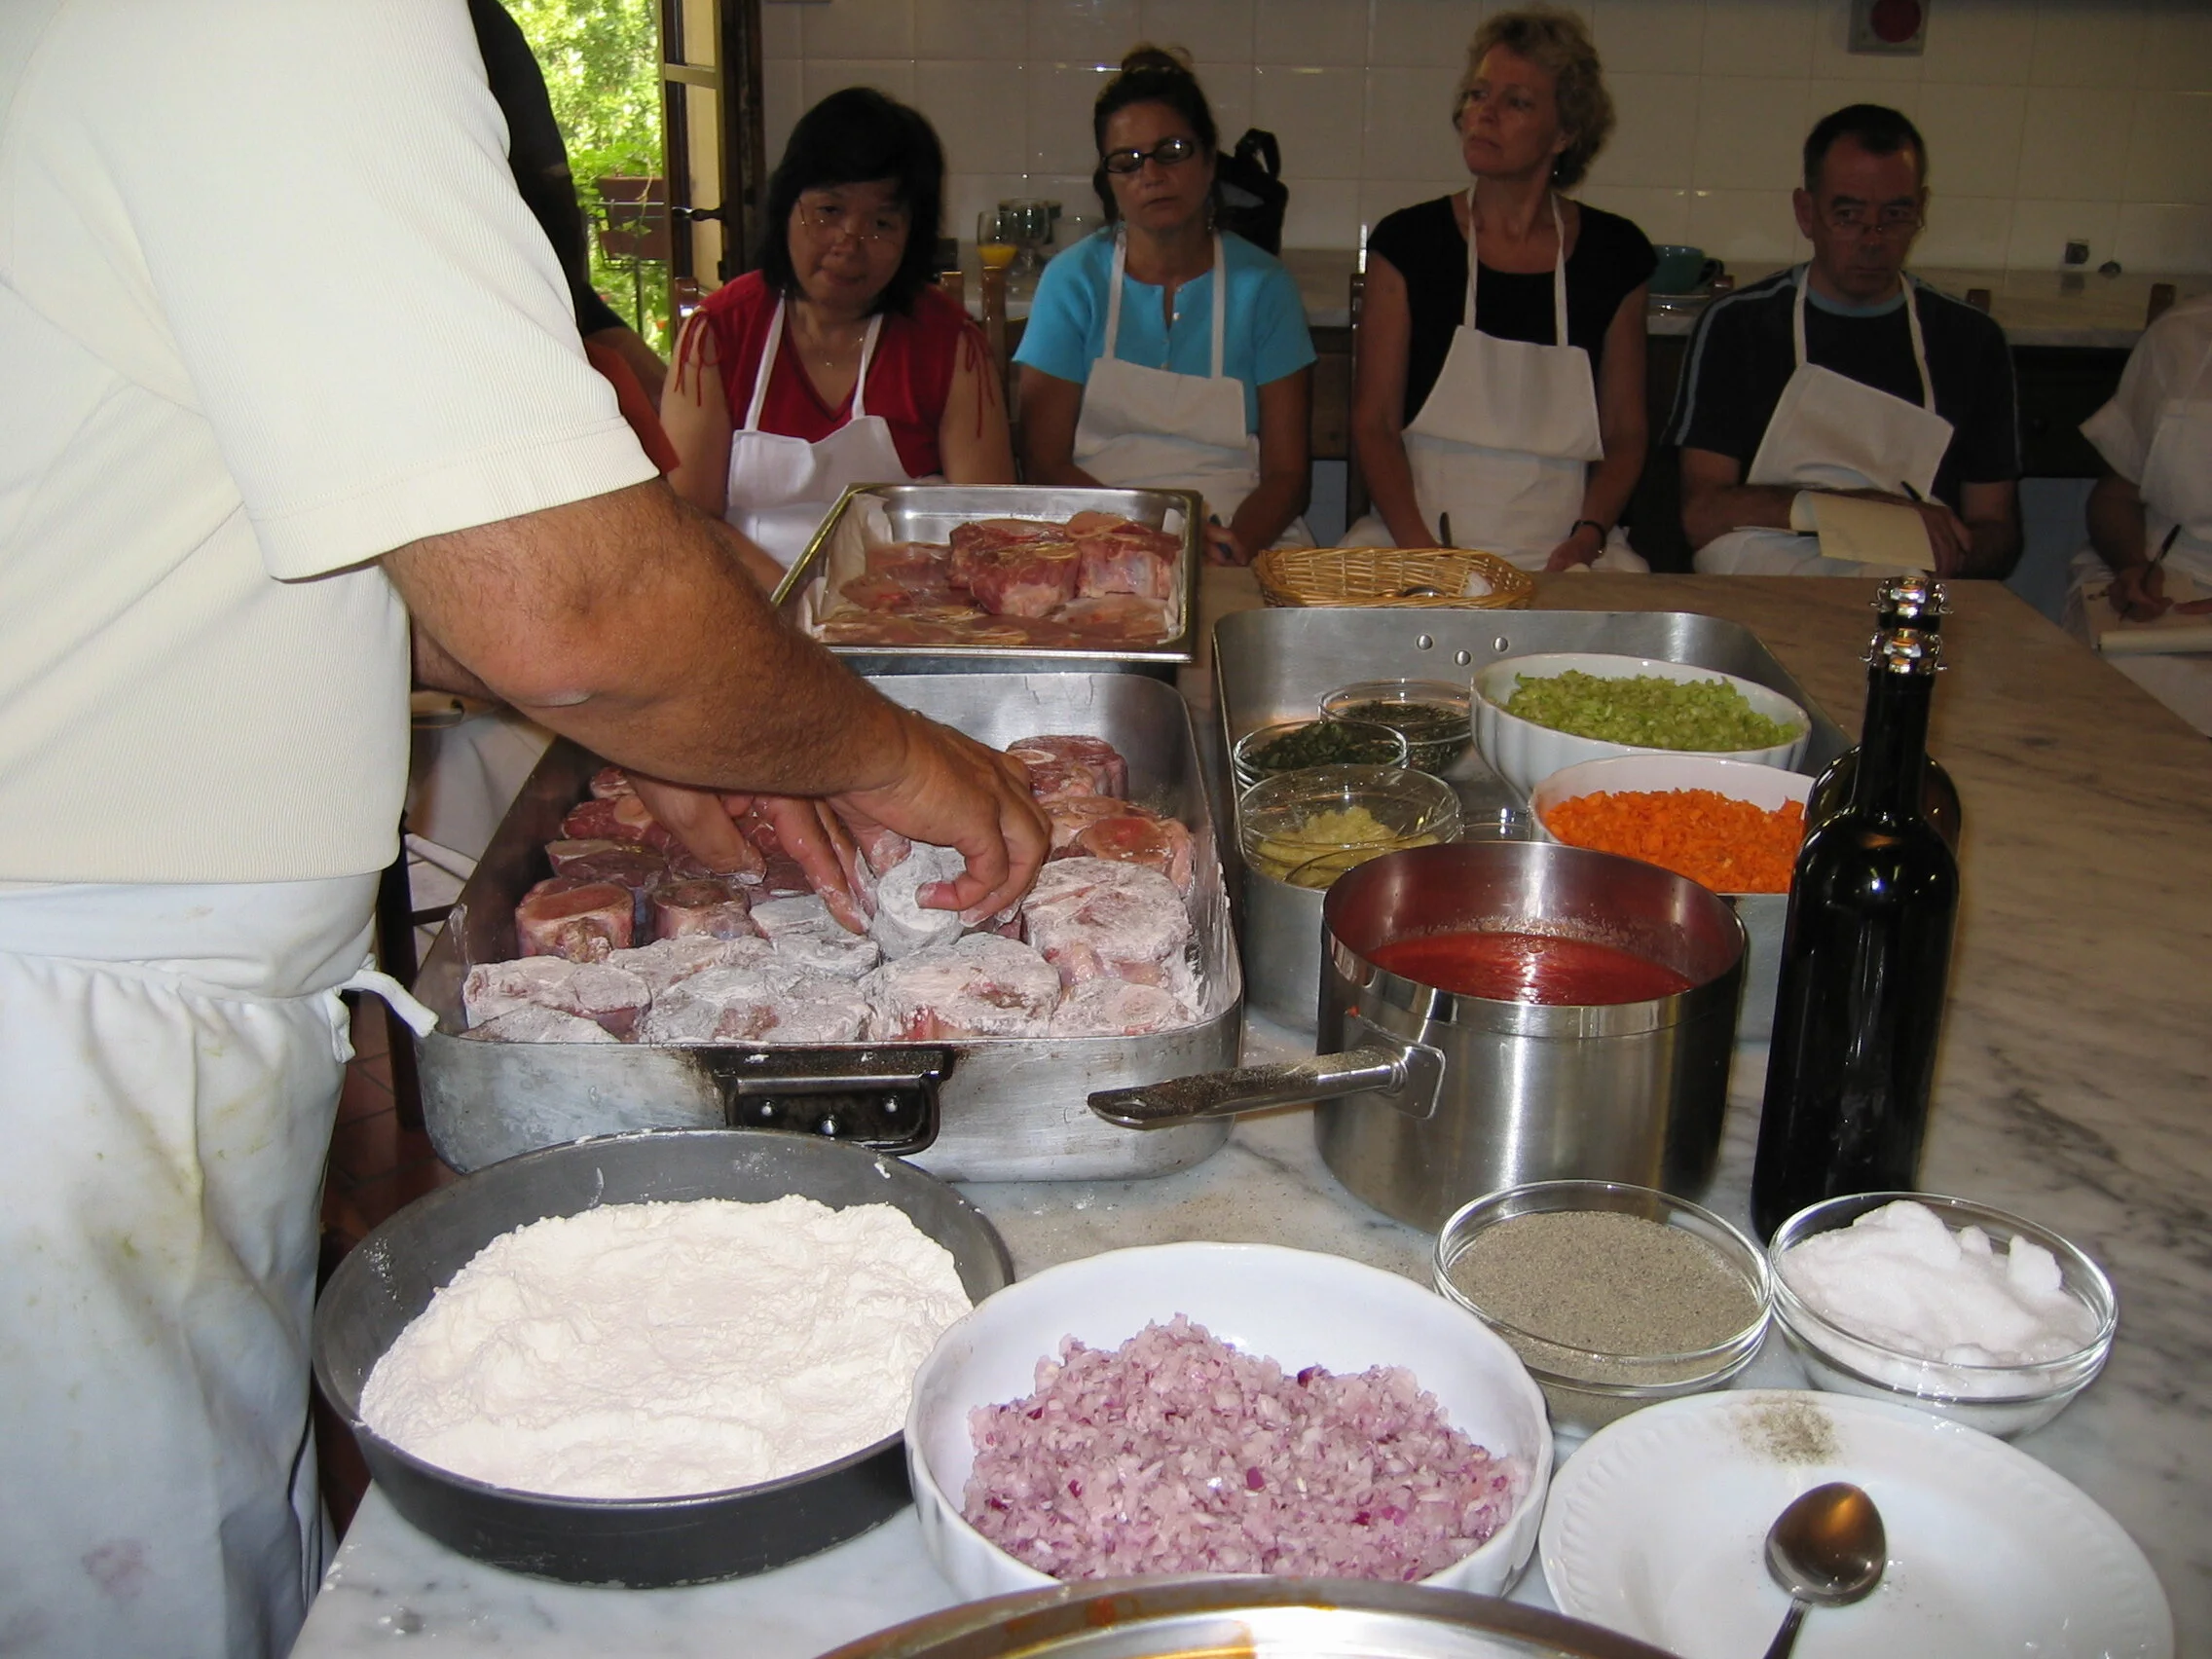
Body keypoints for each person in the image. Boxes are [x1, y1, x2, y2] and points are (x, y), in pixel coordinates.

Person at [0, 7, 1048, 1658]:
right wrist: (879, 748)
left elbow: (391, 565)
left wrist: (687, 708)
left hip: (124, 978)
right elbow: (559, 603)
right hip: (64, 1030)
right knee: (132, 1593)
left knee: (221, 1535)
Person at [1347, 7, 1654, 572]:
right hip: (1416, 539)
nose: (1484, 114)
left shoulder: (1615, 256)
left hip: (1565, 551)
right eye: (1478, 95)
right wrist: (1423, 553)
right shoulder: (1409, 244)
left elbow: (1626, 433)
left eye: (1517, 102)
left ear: (1565, 133)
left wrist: (1588, 537)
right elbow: (1375, 426)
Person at [663, 88, 1014, 571]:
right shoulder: (719, 333)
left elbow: (987, 527)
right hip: (748, 597)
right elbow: (689, 523)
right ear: (787, 208)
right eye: (829, 211)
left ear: (913, 237)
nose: (849, 243)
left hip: (907, 599)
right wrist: (791, 597)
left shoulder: (950, 345)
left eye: (882, 222)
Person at [1671, 104, 2022, 579]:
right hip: (1766, 572)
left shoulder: (1970, 339)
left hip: (1908, 581)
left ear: (1921, 209)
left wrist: (1952, 549)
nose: (1873, 240)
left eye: (1895, 215)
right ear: (1806, 212)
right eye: (1848, 215)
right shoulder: (1739, 326)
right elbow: (1702, 516)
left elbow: (1997, 531)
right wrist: (1866, 513)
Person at [1014, 47, 1316, 564]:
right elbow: (1044, 462)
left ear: (1209, 160)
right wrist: (1141, 542)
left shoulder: (1265, 288)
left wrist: (1232, 545)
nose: (1150, 174)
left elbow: (1288, 476)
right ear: (1109, 181)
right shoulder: (1072, 282)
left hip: (1240, 537)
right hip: (1095, 537)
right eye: (1126, 161)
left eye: (1171, 151)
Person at [2061, 291, 2212, 734]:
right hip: (2171, 575)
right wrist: (2130, 564)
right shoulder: (2180, 334)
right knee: (2111, 696)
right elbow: (2116, 496)